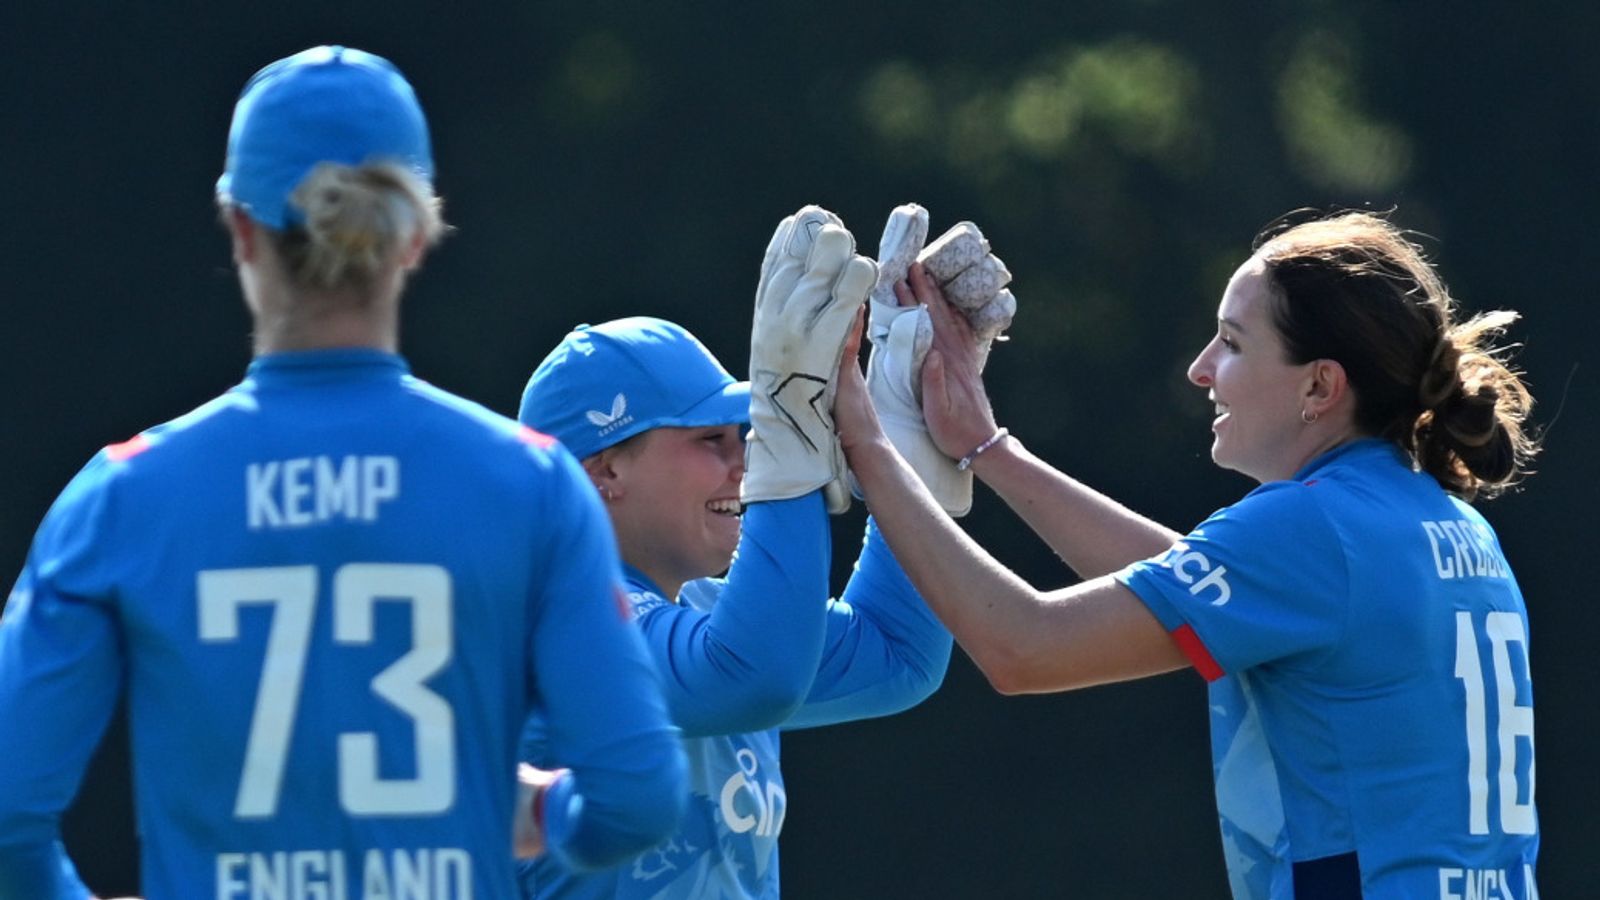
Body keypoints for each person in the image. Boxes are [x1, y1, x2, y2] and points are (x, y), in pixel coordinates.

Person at [0, 46, 686, 900]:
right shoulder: (530, 484)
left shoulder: (123, 496)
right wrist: (539, 815)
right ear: (414, 238)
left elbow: (10, 818)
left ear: (241, 230)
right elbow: (638, 797)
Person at [836, 210, 1540, 898]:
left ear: (1320, 386)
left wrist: (869, 436)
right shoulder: (1443, 520)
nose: (1201, 371)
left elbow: (1023, 647)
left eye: (1232, 344)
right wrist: (984, 447)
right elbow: (1191, 585)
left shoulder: (1313, 527)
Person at [513, 206, 954, 899]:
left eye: (747, 434)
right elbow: (752, 675)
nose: (744, 461)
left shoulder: (710, 613)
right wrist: (791, 468)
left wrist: (908, 453)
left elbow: (900, 655)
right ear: (602, 472)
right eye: (708, 440)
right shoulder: (551, 627)